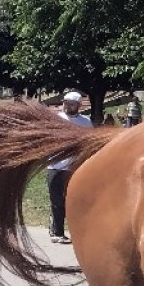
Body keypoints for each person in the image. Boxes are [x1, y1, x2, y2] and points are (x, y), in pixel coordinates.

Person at [49, 91, 92, 243]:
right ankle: (57, 232)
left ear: (79, 105)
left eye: (71, 103)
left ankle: (79, 234)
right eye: (65, 103)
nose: (67, 106)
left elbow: (89, 144)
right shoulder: (56, 119)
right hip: (56, 166)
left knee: (73, 201)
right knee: (56, 201)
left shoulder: (86, 122)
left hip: (75, 167)